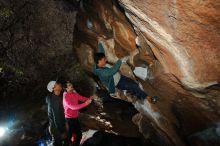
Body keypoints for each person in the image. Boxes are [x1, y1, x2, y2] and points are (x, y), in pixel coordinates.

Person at [92, 51, 157, 102]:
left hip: (120, 77)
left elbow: (101, 51)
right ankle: (148, 98)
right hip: (118, 83)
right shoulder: (102, 73)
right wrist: (120, 61)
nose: (105, 60)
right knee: (133, 86)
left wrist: (100, 43)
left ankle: (136, 95)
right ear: (100, 61)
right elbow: (113, 71)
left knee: (133, 83)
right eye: (104, 59)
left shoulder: (96, 65)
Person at [63, 81, 92, 146]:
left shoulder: (74, 93)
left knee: (79, 135)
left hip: (75, 118)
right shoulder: (65, 97)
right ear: (66, 88)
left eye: (71, 84)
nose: (72, 85)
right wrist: (86, 104)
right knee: (68, 138)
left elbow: (81, 98)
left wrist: (89, 99)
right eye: (69, 85)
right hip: (69, 120)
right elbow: (73, 107)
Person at [46, 80, 67, 146]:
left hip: (54, 126)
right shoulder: (55, 100)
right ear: (53, 88)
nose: (59, 84)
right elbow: (57, 118)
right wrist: (62, 131)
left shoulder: (53, 96)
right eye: (57, 84)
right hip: (57, 128)